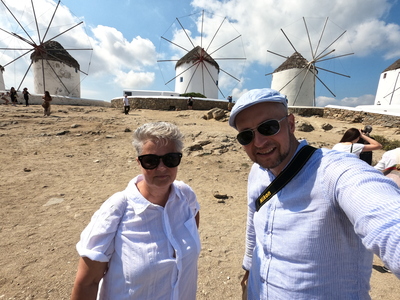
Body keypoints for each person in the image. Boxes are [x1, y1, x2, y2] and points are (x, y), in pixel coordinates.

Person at [228, 88, 400, 299]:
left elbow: (388, 221)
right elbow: (253, 217)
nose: (259, 142)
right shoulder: (257, 171)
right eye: (246, 136)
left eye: (269, 127)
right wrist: (248, 266)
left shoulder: (334, 171)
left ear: (290, 124)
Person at [70, 121, 201, 300]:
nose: (162, 168)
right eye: (150, 161)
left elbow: (193, 223)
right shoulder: (117, 209)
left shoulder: (186, 196)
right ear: (138, 162)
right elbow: (87, 282)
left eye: (170, 159)